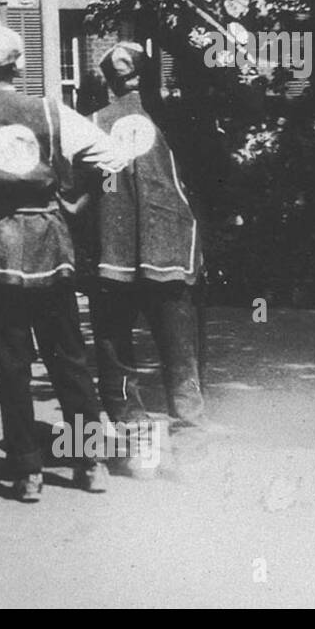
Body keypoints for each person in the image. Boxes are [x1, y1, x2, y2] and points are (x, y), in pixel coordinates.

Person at [0, 24, 128, 502]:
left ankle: (27, 472)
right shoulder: (48, 110)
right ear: (18, 65)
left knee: (11, 365)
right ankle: (90, 463)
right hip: (48, 243)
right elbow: (111, 155)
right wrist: (71, 194)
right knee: (68, 358)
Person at [77, 43, 211, 445]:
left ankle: (135, 446)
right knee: (180, 352)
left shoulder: (90, 124)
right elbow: (208, 179)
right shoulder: (177, 120)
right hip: (171, 252)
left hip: (112, 256)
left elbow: (77, 196)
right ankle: (190, 446)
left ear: (106, 81)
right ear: (147, 75)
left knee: (116, 353)